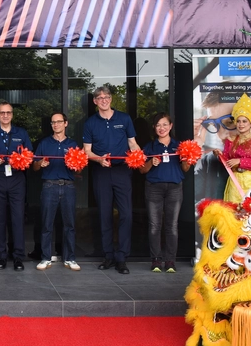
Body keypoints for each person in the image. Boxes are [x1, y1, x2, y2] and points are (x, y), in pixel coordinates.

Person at [83, 86, 139, 275]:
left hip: (122, 172)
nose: (104, 100)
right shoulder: (90, 123)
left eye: (107, 97)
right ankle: (108, 255)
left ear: (111, 99)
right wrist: (99, 159)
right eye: (100, 97)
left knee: (126, 214)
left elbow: (132, 144)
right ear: (95, 101)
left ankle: (122, 257)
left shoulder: (124, 118)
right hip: (102, 172)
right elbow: (87, 151)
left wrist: (140, 157)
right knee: (104, 214)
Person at [0, 101, 33, 271]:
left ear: (12, 114)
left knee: (18, 217)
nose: (5, 115)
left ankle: (18, 256)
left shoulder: (21, 133)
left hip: (17, 179)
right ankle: (1, 255)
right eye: (2, 112)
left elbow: (29, 156)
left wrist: (22, 161)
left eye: (8, 112)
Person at [139, 113, 190, 273]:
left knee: (172, 226)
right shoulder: (150, 147)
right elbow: (141, 170)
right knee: (154, 225)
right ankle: (156, 260)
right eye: (158, 125)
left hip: (175, 187)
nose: (161, 128)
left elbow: (186, 169)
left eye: (164, 124)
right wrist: (150, 162)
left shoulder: (180, 145)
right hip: (154, 187)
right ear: (154, 128)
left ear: (171, 126)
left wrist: (185, 159)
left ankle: (170, 261)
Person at [33, 113, 80, 272]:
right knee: (46, 224)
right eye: (53, 122)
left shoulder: (73, 144)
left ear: (65, 123)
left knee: (70, 224)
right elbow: (34, 166)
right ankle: (46, 258)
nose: (56, 125)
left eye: (59, 122)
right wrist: (41, 163)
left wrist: (75, 165)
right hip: (49, 186)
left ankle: (70, 258)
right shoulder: (44, 143)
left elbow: (80, 168)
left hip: (68, 186)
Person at [212, 93, 251, 205]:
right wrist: (220, 155)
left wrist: (240, 161)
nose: (241, 124)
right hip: (235, 181)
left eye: (244, 121)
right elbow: (227, 163)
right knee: (234, 213)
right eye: (238, 121)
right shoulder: (230, 140)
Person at [193, 88, 239, 201]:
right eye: (214, 124)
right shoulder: (210, 161)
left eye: (230, 122)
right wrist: (193, 150)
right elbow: (188, 193)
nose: (222, 135)